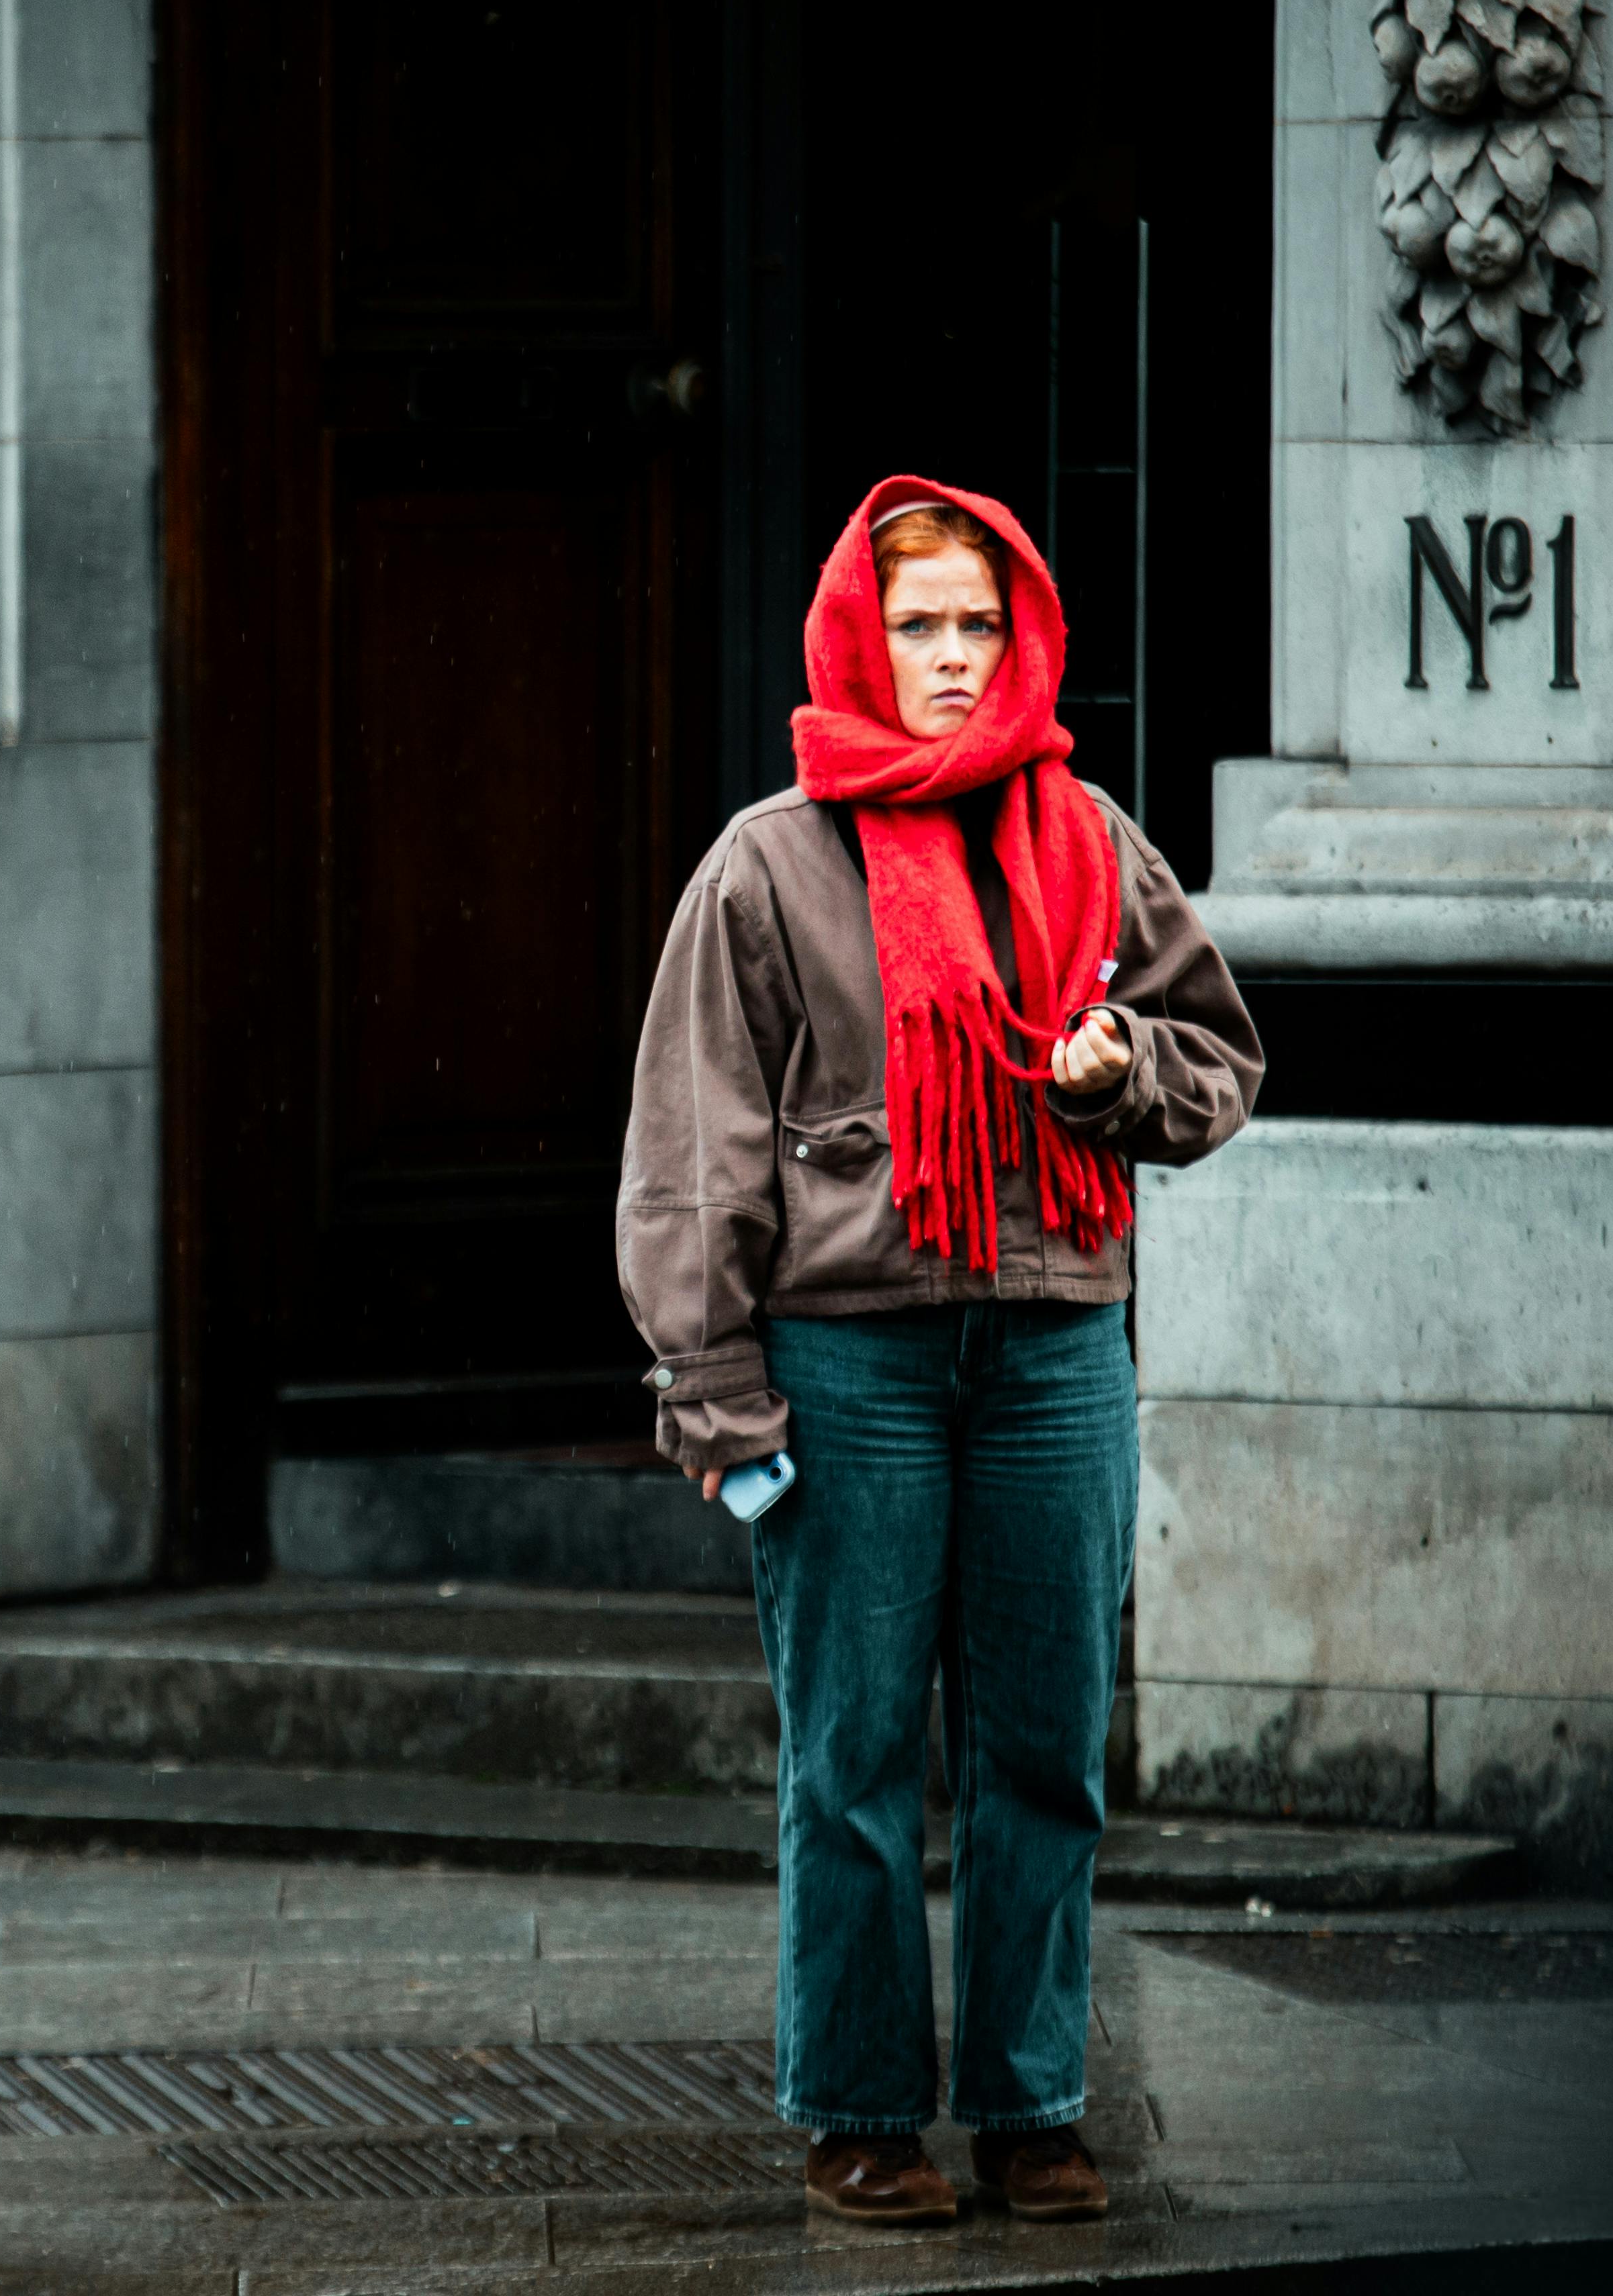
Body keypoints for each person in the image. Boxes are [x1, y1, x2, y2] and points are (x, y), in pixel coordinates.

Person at [618, 477, 1260, 2230]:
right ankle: (862, 2114)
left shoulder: (1092, 840)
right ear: (859, 638)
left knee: (1049, 1745)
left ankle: (1035, 2107)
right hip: (854, 1364)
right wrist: (717, 1391)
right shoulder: (770, 860)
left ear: (1025, 632)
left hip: (1056, 1350)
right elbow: (693, 1157)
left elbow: (1222, 1063)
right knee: (856, 1756)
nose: (958, 659)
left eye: (983, 624)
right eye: (922, 627)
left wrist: (1118, 1070)